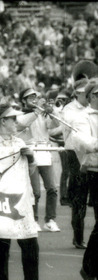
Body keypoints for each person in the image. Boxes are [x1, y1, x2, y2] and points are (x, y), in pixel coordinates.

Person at [0, 103, 46, 280]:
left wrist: (32, 159)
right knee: (0, 245)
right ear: (3, 121)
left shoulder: (19, 143)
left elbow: (29, 171)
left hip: (22, 200)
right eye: (13, 119)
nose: (17, 122)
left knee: (30, 244)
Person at [16, 88, 61, 233]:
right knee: (35, 192)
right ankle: (33, 220)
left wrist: (52, 112)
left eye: (35, 97)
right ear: (23, 100)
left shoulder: (42, 114)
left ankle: (50, 220)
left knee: (52, 188)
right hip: (31, 153)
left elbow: (54, 125)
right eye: (30, 98)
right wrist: (38, 111)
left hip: (44, 152)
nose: (34, 100)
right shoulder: (19, 113)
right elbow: (22, 123)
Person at [71, 78, 98, 280]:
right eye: (96, 94)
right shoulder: (82, 118)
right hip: (94, 172)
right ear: (89, 97)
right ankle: (88, 269)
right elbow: (85, 143)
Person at [61, 79, 91, 248]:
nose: (87, 96)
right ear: (77, 94)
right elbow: (74, 127)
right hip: (74, 154)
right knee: (79, 196)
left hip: (90, 152)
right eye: (84, 93)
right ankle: (78, 237)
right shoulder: (69, 109)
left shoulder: (89, 108)